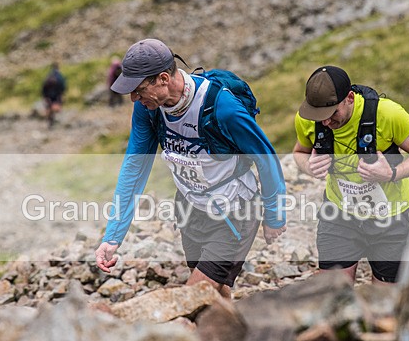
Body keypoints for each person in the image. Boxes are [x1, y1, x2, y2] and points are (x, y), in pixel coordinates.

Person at [95, 38, 287, 298]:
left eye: (138, 90)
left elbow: (266, 158)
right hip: (190, 210)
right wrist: (112, 237)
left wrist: (274, 215)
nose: (133, 99)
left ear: (163, 79)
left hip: (234, 212)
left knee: (192, 296)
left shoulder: (222, 108)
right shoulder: (147, 109)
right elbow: (135, 167)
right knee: (214, 293)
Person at [292, 65, 409, 285]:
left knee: (384, 300)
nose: (325, 122)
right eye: (319, 116)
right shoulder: (307, 120)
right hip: (339, 214)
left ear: (349, 98)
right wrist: (309, 167)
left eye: (332, 113)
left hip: (392, 217)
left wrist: (391, 173)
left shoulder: (387, 114)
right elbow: (299, 153)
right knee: (332, 294)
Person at [42, 63, 66, 128]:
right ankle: (57, 122)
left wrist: (44, 96)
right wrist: (62, 94)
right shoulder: (59, 76)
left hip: (48, 95)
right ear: (58, 68)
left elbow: (43, 86)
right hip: (57, 95)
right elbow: (63, 86)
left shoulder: (48, 76)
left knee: (49, 108)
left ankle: (50, 122)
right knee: (57, 107)